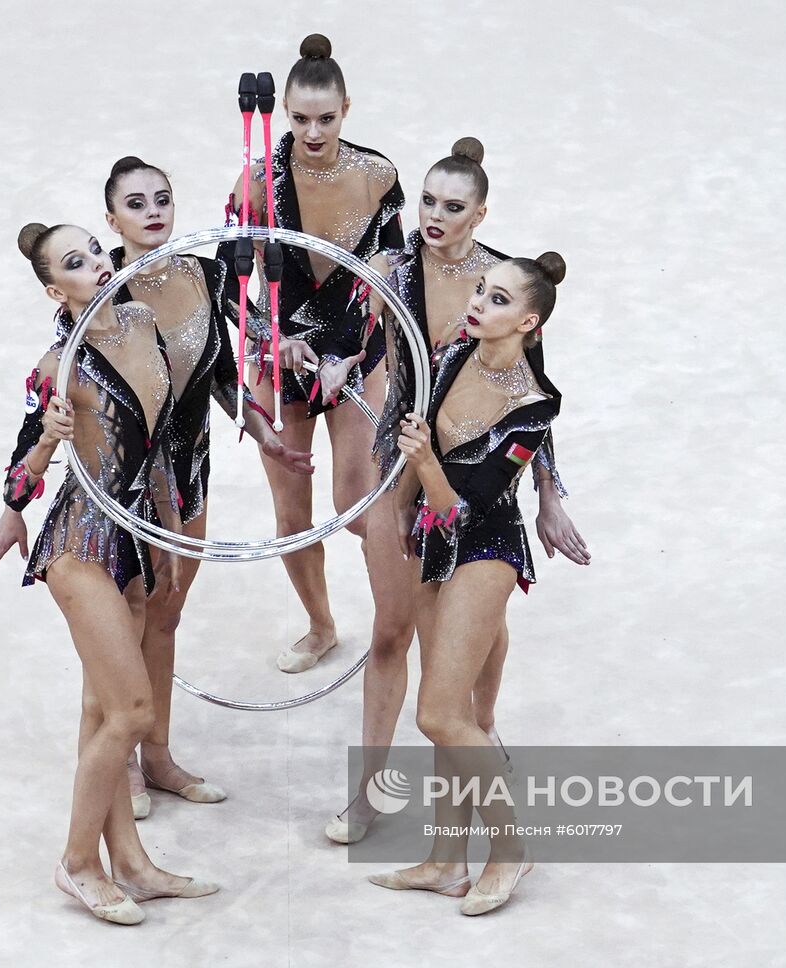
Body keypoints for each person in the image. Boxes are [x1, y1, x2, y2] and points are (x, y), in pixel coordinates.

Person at [0, 159, 313, 820]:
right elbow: (50, 406)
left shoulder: (204, 271)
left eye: (163, 198)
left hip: (189, 472)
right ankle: (121, 753)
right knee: (114, 620)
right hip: (121, 485)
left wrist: (263, 426)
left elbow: (228, 360)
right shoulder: (105, 301)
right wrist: (14, 504)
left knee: (164, 613)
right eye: (136, 204)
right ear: (113, 222)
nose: (154, 212)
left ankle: (157, 753)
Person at [326, 141, 588, 844]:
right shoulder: (391, 268)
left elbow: (525, 401)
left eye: (452, 206)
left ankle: (480, 726)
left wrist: (549, 496)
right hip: (400, 469)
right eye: (428, 202)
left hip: (470, 479)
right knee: (391, 630)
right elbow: (346, 345)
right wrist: (317, 356)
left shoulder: (503, 284)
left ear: (480, 211)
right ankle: (370, 790)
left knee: (472, 623)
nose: (435, 216)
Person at [0, 222, 217, 924]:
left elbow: (153, 447)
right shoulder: (57, 365)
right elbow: (22, 466)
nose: (95, 263)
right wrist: (45, 450)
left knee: (101, 712)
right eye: (74, 262)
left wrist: (170, 538)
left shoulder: (144, 323)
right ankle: (78, 862)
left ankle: (133, 865)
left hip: (135, 542)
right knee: (131, 711)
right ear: (51, 289)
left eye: (94, 250)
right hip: (79, 546)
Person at [368, 253, 568, 916]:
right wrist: (399, 504)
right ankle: (446, 861)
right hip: (431, 543)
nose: (479, 302)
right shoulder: (455, 351)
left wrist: (422, 464)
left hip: (484, 547)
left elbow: (467, 505)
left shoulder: (533, 408)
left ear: (530, 321)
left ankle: (511, 848)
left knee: (441, 714)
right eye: (483, 289)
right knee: (449, 717)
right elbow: (416, 435)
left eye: (500, 299)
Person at [220, 32, 406, 673]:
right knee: (292, 516)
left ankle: (408, 601)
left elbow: (391, 268)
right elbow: (231, 283)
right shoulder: (259, 179)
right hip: (278, 350)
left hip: (354, 349)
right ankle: (321, 625)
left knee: (357, 501)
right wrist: (277, 342)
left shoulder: (378, 175)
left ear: (347, 109)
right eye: (299, 118)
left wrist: (351, 353)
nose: (313, 130)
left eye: (326, 118)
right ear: (286, 113)